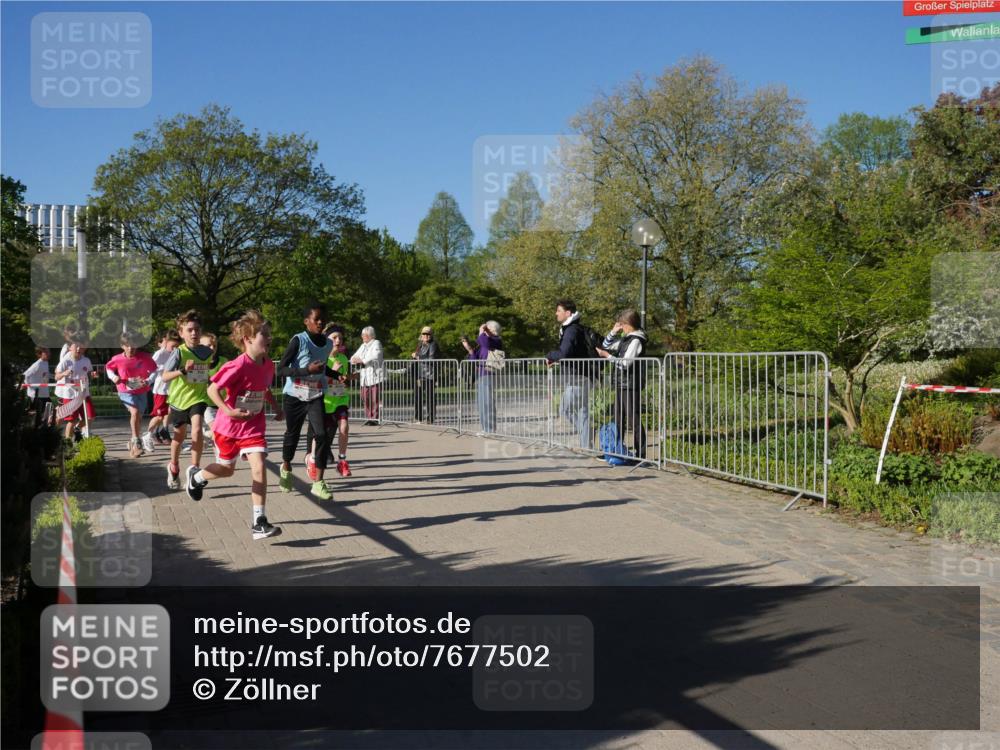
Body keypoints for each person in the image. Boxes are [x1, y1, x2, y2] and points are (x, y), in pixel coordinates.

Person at [184, 310, 284, 540]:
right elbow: (212, 389)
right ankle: (197, 478)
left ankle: (259, 521)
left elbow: (264, 388)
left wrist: (276, 407)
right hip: (229, 427)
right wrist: (228, 410)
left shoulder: (268, 365)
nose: (269, 338)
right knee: (227, 470)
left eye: (269, 334)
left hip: (253, 426)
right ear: (248, 339)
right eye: (264, 334)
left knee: (258, 465)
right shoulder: (237, 366)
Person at [277, 302, 338, 500]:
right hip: (294, 395)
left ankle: (318, 482)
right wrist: (305, 371)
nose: (320, 322)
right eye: (316, 319)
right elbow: (281, 369)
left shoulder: (328, 344)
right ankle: (286, 467)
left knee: (321, 434)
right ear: (307, 322)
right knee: (292, 436)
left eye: (323, 319)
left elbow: (322, 367)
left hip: (315, 395)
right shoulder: (298, 340)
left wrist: (336, 375)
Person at [161, 310, 218, 491]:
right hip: (179, 399)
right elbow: (164, 377)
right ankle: (174, 466)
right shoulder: (179, 352)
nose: (194, 333)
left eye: (197, 330)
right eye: (190, 330)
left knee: (196, 429)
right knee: (178, 436)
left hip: (198, 398)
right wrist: (182, 371)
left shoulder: (207, 352)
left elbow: (206, 374)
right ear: (181, 333)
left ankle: (194, 468)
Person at [596, 309, 648, 459]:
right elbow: (605, 345)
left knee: (633, 418)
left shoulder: (636, 340)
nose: (621, 327)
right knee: (618, 417)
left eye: (622, 324)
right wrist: (613, 331)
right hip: (621, 383)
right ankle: (616, 450)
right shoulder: (626, 338)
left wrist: (608, 357)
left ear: (629, 324)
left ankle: (641, 454)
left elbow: (626, 363)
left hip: (631, 384)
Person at [306, 324, 352, 480]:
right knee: (320, 434)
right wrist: (333, 374)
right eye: (334, 338)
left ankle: (342, 460)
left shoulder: (344, 358)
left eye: (340, 337)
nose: (338, 340)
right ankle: (312, 460)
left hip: (340, 399)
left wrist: (345, 379)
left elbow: (343, 380)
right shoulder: (321, 359)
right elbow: (316, 380)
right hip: (324, 401)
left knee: (344, 427)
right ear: (327, 340)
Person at [546, 299, 593, 450]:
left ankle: (587, 435)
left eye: (558, 310)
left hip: (577, 377)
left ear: (568, 313)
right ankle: (587, 445)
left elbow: (564, 353)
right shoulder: (576, 328)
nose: (556, 313)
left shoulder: (571, 330)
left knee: (565, 410)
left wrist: (550, 355)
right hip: (583, 376)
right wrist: (557, 360)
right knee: (582, 411)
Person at [105, 331, 159, 458]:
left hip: (141, 390)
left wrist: (149, 380)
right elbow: (108, 368)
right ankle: (136, 441)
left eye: (133, 345)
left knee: (138, 418)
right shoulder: (117, 359)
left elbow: (155, 370)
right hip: (125, 390)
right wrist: (114, 377)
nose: (131, 348)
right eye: (127, 345)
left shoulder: (144, 357)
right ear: (122, 346)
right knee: (134, 413)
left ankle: (132, 443)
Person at [462, 321, 503, 435]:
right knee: (481, 403)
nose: (484, 331)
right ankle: (485, 428)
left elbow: (484, 342)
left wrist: (481, 331)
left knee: (487, 402)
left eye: (487, 329)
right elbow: (475, 359)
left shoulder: (496, 340)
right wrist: (469, 349)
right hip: (481, 375)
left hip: (489, 374)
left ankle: (490, 429)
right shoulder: (485, 342)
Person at [54, 334, 96, 441]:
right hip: (70, 394)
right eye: (75, 346)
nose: (78, 349)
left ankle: (77, 429)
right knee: (71, 420)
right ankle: (67, 442)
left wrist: (93, 374)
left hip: (84, 394)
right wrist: (64, 374)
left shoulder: (86, 360)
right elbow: (56, 376)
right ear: (70, 348)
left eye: (80, 347)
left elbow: (90, 372)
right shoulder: (65, 361)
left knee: (90, 417)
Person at [145, 329, 181, 448]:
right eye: (173, 346)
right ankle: (148, 434)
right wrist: (149, 380)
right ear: (166, 342)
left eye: (177, 346)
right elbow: (151, 369)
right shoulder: (160, 354)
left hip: (172, 389)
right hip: (161, 389)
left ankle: (162, 432)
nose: (175, 349)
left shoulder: (177, 353)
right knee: (159, 415)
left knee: (169, 413)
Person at [351, 326, 383, 426]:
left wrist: (362, 360)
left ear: (370, 335)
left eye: (364, 334)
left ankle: (375, 418)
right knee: (365, 398)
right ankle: (369, 417)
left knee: (375, 399)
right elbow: (354, 357)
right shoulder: (363, 345)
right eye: (362, 334)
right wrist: (355, 360)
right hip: (365, 376)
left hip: (374, 375)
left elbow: (375, 355)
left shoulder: (376, 343)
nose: (362, 336)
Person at [411, 326, 440, 424]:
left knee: (429, 397)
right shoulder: (420, 345)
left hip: (429, 374)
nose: (426, 336)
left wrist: (418, 356)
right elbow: (417, 358)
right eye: (424, 334)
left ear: (431, 335)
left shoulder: (433, 345)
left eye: (428, 334)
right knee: (417, 396)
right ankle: (418, 417)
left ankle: (430, 418)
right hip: (419, 374)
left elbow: (431, 359)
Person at [23, 346, 50, 427]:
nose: (49, 354)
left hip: (44, 393)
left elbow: (44, 375)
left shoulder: (46, 363)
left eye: (49, 352)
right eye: (46, 352)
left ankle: (44, 429)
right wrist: (29, 386)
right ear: (40, 354)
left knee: (48, 412)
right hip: (36, 395)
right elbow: (25, 375)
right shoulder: (37, 364)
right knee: (38, 416)